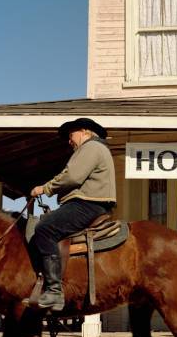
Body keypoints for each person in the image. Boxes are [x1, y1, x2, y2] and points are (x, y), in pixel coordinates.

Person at [26, 118, 116, 311]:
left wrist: (45, 188)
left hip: (87, 203)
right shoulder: (97, 148)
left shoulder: (90, 147)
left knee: (44, 228)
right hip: (91, 203)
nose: (69, 141)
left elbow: (73, 176)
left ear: (84, 131)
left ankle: (54, 291)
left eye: (71, 135)